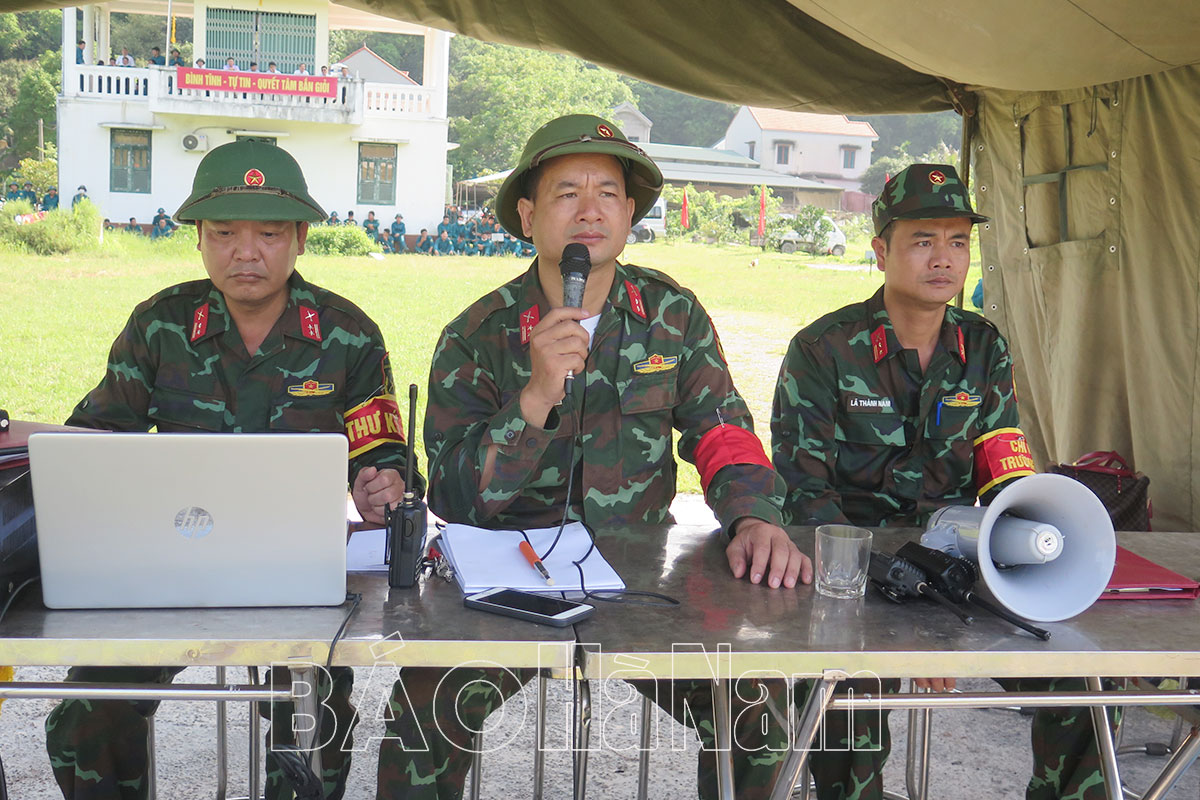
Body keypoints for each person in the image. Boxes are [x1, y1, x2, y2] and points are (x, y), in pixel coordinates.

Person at [379, 113, 809, 800]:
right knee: (420, 718)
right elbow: (455, 497)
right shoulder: (478, 333)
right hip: (506, 586)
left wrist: (755, 516)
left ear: (630, 213)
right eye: (566, 193)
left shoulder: (671, 314)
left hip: (639, 578)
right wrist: (533, 400)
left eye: (608, 193)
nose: (589, 211)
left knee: (759, 710)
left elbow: (721, 429)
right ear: (527, 215)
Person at [44, 139, 422, 800]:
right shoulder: (159, 327)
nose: (246, 253)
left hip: (299, 579)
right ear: (197, 238)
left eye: (269, 233)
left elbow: (384, 452)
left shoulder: (347, 336)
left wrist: (383, 483)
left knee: (313, 729)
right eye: (224, 233)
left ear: (301, 237)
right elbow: (94, 443)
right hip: (165, 570)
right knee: (83, 721)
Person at [771, 163, 1105, 800]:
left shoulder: (983, 347)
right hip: (858, 583)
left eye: (958, 241)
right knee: (851, 707)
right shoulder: (824, 350)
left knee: (1089, 685)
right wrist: (913, 619)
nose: (943, 258)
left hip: (961, 571)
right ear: (881, 251)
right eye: (923, 240)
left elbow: (1005, 474)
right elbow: (805, 496)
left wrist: (982, 583)